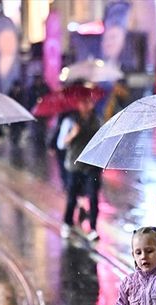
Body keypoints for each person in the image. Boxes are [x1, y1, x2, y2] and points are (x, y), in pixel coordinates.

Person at [57, 96, 102, 241]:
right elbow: (61, 144)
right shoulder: (70, 121)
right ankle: (67, 223)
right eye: (83, 101)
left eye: (89, 101)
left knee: (93, 198)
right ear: (77, 103)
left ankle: (93, 227)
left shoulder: (97, 121)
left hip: (92, 166)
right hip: (74, 166)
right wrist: (72, 134)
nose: (86, 105)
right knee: (72, 197)